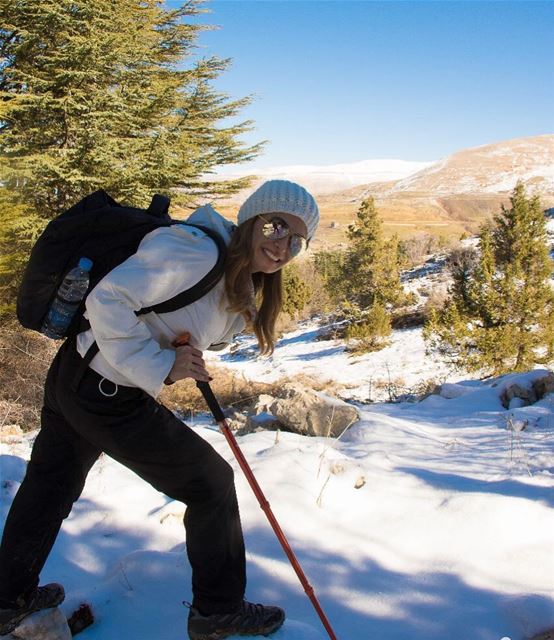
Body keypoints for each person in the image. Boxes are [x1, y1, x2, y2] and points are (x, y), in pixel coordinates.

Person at [0, 179, 319, 640]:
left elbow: (160, 315)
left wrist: (174, 346)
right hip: (105, 391)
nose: (282, 245)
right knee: (210, 484)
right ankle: (218, 611)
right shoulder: (198, 252)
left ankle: (8, 598)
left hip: (80, 374)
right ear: (252, 218)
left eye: (296, 240)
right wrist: (162, 366)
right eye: (275, 226)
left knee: (50, 486)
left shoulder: (235, 273)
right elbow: (107, 299)